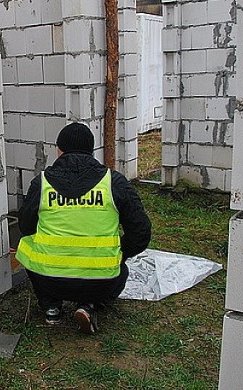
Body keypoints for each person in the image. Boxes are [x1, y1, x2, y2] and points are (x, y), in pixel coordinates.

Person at [15, 122, 151, 334]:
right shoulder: (113, 182)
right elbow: (141, 233)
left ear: (59, 150)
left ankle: (51, 307)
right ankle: (88, 305)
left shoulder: (42, 183)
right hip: (101, 282)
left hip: (48, 280)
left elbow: (25, 226)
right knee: (120, 270)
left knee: (26, 246)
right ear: (92, 151)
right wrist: (119, 253)